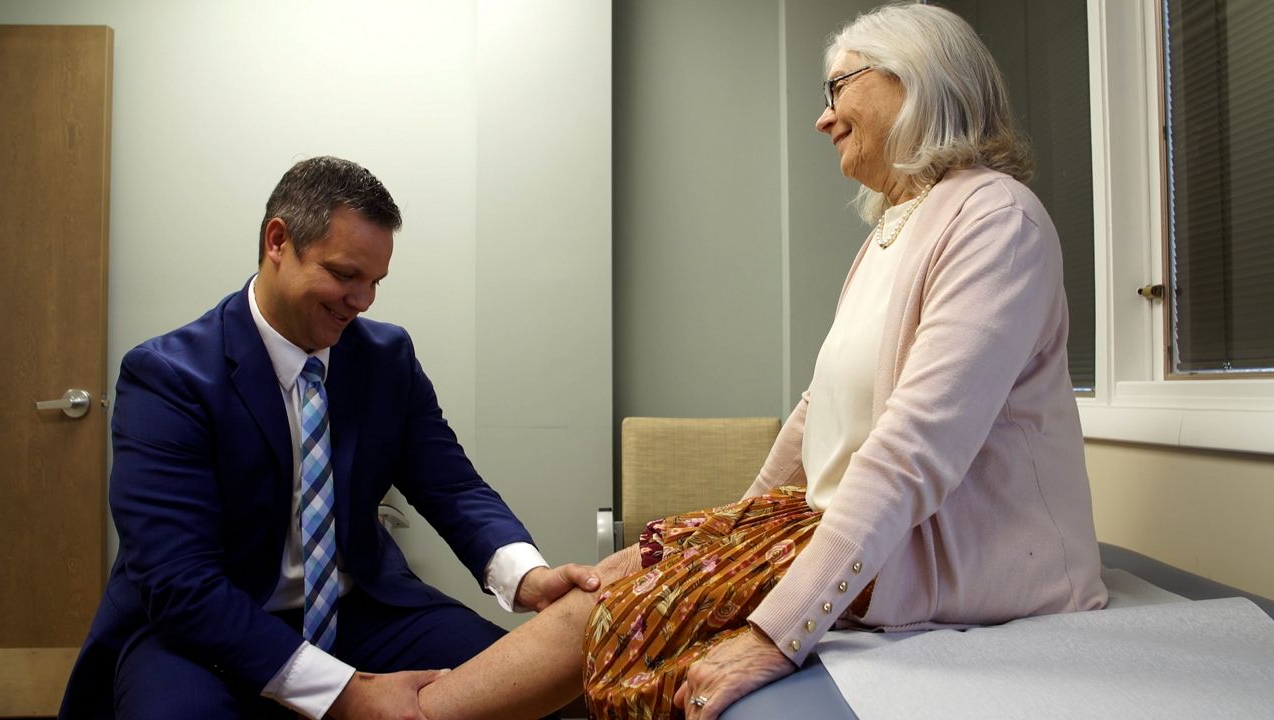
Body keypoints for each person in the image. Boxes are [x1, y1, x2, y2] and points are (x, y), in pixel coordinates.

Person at [406, 4, 1108, 720]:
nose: (823, 118)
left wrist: (778, 634)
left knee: (618, 607)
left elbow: (912, 451)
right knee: (632, 562)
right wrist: (728, 529)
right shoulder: (895, 231)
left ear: (913, 79)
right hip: (858, 520)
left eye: (836, 88)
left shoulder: (997, 221)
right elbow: (820, 407)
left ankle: (413, 714)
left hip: (956, 554)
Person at [58, 156, 598, 720]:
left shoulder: (386, 359)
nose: (363, 301)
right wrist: (345, 693)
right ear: (277, 242)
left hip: (358, 606)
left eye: (374, 282)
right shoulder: (169, 377)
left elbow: (452, 486)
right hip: (201, 627)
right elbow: (179, 582)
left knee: (530, 689)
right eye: (344, 275)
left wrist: (528, 577)